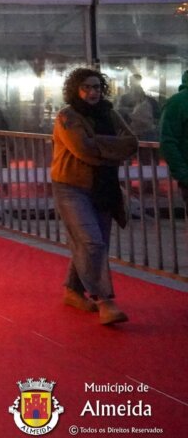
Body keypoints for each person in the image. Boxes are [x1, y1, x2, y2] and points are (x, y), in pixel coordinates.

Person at [50, 67, 138, 325]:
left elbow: (131, 143)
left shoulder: (109, 113)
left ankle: (73, 290)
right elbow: (82, 150)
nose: (92, 92)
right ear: (76, 90)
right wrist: (111, 149)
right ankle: (105, 301)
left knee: (94, 244)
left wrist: (96, 143)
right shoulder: (67, 116)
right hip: (71, 186)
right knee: (92, 242)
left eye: (97, 87)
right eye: (86, 87)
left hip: (102, 187)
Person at [159, 70, 188, 192]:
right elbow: (168, 142)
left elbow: (168, 140)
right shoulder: (178, 103)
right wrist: (184, 175)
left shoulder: (177, 102)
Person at [118, 74, 161, 141]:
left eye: (133, 82)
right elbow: (120, 116)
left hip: (147, 136)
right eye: (131, 82)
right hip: (130, 135)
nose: (132, 85)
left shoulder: (151, 101)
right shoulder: (124, 99)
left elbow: (157, 118)